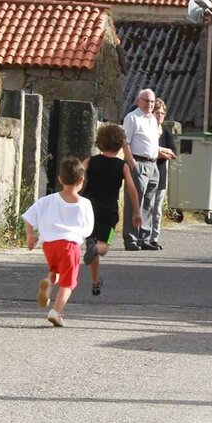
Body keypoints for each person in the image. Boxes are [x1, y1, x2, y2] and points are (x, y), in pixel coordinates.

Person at [22, 156, 94, 327]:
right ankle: (57, 311)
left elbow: (28, 217)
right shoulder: (84, 204)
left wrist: (30, 235)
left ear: (60, 179)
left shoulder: (47, 200)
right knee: (68, 283)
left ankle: (48, 283)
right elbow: (88, 229)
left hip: (49, 245)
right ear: (81, 180)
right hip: (69, 246)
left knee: (55, 270)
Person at [81, 124, 142, 296]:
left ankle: (95, 282)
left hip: (88, 209)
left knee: (92, 244)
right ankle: (95, 250)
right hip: (109, 212)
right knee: (103, 247)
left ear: (100, 141)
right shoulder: (121, 166)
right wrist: (136, 213)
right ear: (120, 144)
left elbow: (77, 175)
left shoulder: (90, 161)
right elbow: (131, 190)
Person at [122, 89, 171, 251]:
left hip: (153, 164)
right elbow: (126, 142)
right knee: (134, 202)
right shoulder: (132, 118)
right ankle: (131, 239)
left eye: (151, 101)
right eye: (146, 101)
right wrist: (131, 163)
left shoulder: (151, 119)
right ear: (138, 101)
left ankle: (144, 237)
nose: (149, 104)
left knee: (149, 202)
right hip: (138, 163)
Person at [149, 98, 179, 250]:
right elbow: (146, 151)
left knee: (157, 209)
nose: (160, 115)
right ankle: (143, 237)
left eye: (162, 112)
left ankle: (154, 238)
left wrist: (158, 151)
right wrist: (160, 152)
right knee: (146, 207)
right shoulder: (147, 131)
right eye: (157, 112)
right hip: (147, 173)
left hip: (161, 174)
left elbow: (174, 153)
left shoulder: (166, 133)